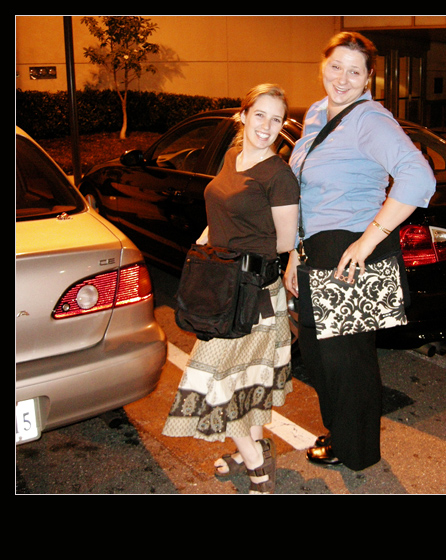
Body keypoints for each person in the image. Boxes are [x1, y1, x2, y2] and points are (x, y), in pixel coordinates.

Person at [284, 32, 436, 471]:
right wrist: (295, 252)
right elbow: (305, 195)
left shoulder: (369, 120)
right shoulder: (315, 114)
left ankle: (357, 453)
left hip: (349, 250)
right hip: (316, 250)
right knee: (317, 356)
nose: (343, 79)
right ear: (322, 67)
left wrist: (369, 239)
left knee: (348, 363)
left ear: (370, 78)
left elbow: (418, 178)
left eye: (355, 71)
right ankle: (341, 434)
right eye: (336, 67)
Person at [163, 84, 299, 494]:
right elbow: (221, 210)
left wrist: (236, 253)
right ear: (243, 116)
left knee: (215, 379)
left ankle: (258, 468)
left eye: (276, 119)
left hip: (253, 293)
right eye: (260, 114)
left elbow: (285, 240)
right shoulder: (231, 157)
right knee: (248, 379)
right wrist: (208, 243)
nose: (267, 126)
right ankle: (252, 450)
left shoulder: (279, 175)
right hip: (223, 280)